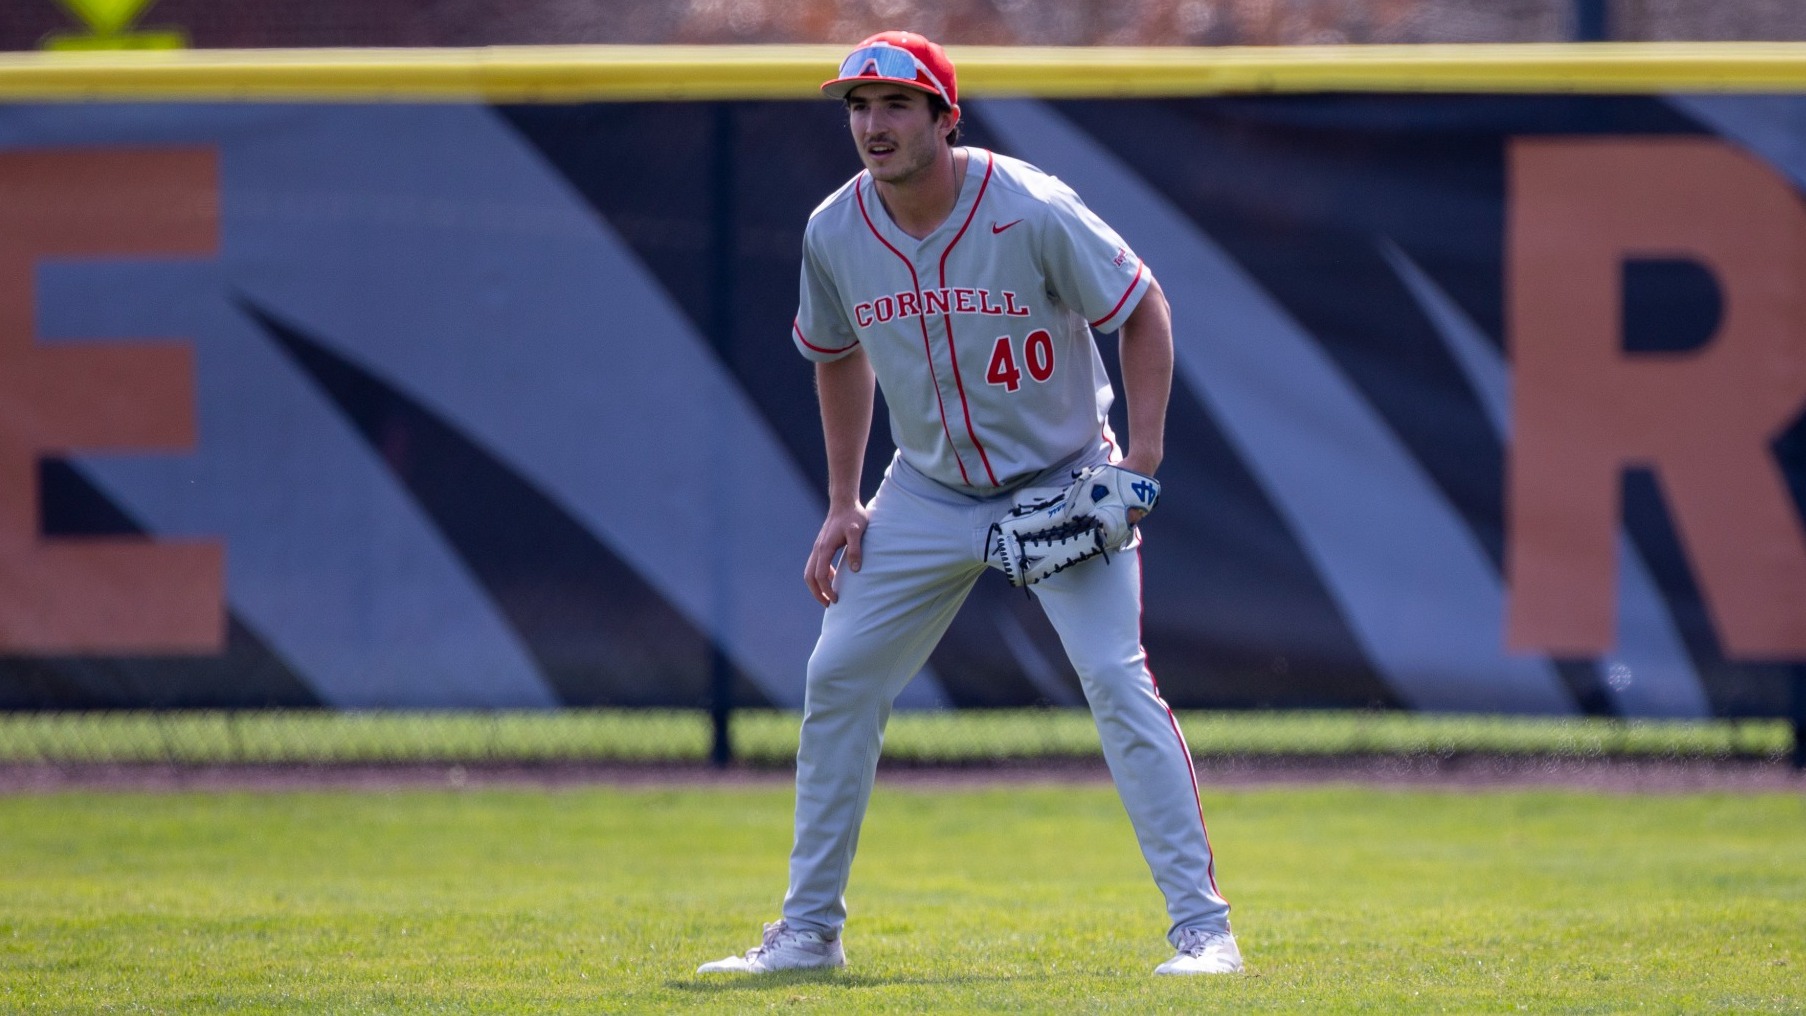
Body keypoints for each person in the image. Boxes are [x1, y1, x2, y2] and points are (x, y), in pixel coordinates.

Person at [697, 31, 1240, 977]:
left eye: (897, 105)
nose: (873, 124)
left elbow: (1142, 304)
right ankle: (810, 933)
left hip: (1065, 480)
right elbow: (834, 356)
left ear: (946, 118)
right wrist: (841, 500)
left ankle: (1204, 930)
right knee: (838, 682)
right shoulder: (834, 229)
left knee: (1116, 680)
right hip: (926, 491)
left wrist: (1140, 462)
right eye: (858, 107)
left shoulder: (1026, 207)